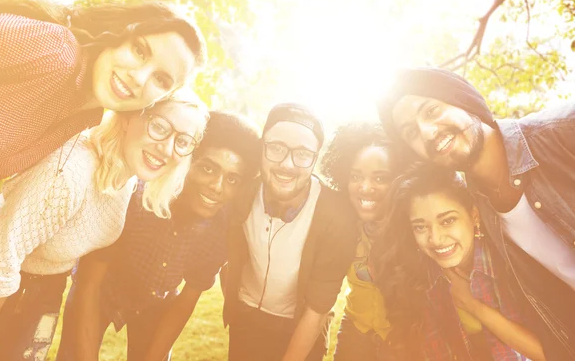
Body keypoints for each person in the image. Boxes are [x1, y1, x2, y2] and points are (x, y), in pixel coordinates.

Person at [0, 91, 208, 361]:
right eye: (159, 127)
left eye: (182, 141)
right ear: (129, 117)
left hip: (40, 289)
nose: (167, 149)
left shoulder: (126, 178)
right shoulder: (72, 171)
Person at [377, 67, 575, 360]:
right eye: (411, 133)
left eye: (431, 111)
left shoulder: (562, 131)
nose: (427, 132)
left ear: (463, 101)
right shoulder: (480, 214)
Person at [55, 111, 261, 361]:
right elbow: (90, 284)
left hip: (157, 302)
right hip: (101, 292)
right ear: (187, 162)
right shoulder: (135, 197)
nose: (217, 186)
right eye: (207, 169)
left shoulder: (222, 230)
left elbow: (186, 301)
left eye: (232, 179)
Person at [0, 0, 206, 185]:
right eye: (139, 50)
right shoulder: (55, 51)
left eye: (161, 79)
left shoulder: (87, 118)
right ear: (119, 34)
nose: (139, 77)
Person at [224, 103, 357, 361]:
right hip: (246, 319)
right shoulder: (241, 192)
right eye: (276, 148)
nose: (287, 164)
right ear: (261, 148)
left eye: (303, 154)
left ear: (315, 158)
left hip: (303, 326)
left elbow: (318, 306)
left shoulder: (337, 216)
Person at [374, 168, 545, 360]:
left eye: (448, 221)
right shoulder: (418, 275)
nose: (436, 239)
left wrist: (473, 306)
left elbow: (553, 352)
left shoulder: (511, 263)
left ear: (474, 216)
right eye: (420, 227)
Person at [320, 123, 399, 361]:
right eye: (356, 176)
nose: (365, 187)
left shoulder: (415, 229)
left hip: (402, 339)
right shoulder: (344, 225)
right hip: (355, 333)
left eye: (380, 178)